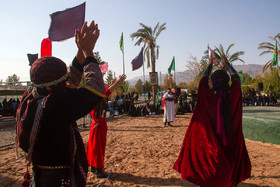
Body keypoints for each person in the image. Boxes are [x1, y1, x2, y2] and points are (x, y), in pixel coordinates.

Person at [16, 21, 106, 187]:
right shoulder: (55, 105)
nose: (67, 80)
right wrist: (88, 51)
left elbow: (70, 78)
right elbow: (96, 89)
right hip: (59, 179)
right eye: (63, 78)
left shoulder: (32, 98)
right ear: (56, 82)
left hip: (41, 174)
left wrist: (80, 50)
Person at [173, 53, 251, 187]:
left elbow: (203, 81)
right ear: (227, 81)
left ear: (213, 82)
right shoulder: (234, 96)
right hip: (231, 144)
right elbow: (237, 79)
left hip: (212, 144)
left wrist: (209, 64)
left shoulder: (207, 97)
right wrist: (227, 64)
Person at [87, 74, 126, 178]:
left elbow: (105, 90)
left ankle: (93, 167)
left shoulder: (94, 92)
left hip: (97, 124)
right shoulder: (95, 94)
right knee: (98, 148)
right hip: (98, 124)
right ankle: (98, 170)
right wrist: (118, 82)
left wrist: (112, 84)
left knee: (94, 147)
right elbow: (105, 92)